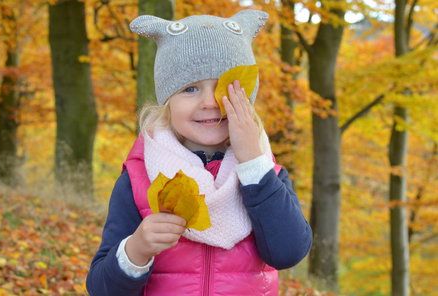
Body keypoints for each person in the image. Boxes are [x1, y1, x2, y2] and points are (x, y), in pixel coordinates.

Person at [86, 9, 312, 296]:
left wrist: (253, 164)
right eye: (190, 88)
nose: (210, 102)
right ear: (167, 102)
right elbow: (101, 289)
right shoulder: (139, 176)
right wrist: (136, 249)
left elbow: (288, 252)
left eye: (223, 88)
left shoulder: (266, 173)